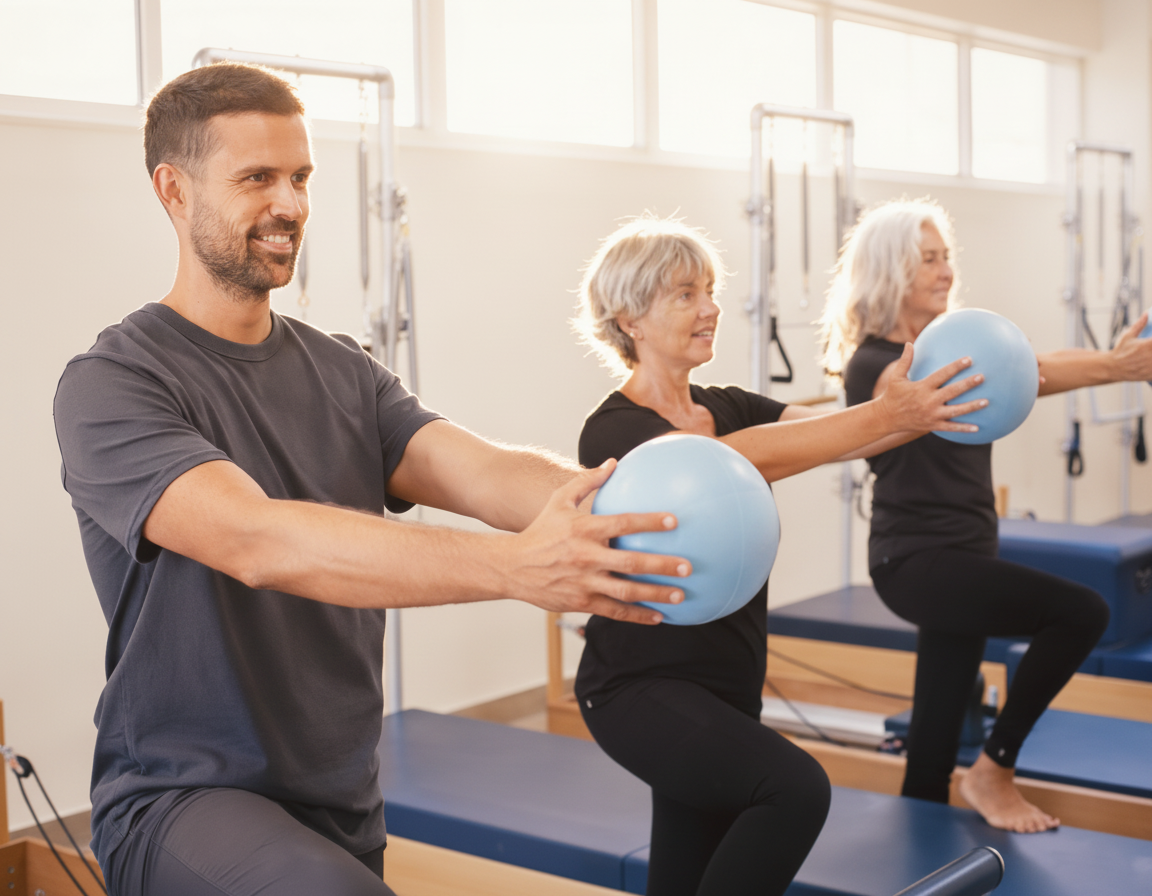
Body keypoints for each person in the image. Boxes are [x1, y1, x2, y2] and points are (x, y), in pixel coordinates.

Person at [52, 64, 694, 896]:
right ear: (173, 191)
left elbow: (484, 470)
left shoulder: (344, 370)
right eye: (256, 179)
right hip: (183, 798)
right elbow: (258, 540)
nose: (290, 204)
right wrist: (513, 569)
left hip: (340, 798)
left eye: (300, 177)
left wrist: (629, 508)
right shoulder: (113, 382)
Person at [571, 216, 987, 896]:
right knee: (794, 791)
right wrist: (882, 418)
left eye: (709, 290)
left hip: (726, 682)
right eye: (685, 294)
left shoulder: (728, 405)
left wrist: (912, 405)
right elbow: (721, 465)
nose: (710, 309)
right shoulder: (615, 430)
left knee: (684, 870)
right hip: (639, 687)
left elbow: (836, 438)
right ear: (630, 319)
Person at [822, 198, 1152, 833]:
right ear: (891, 272)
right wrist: (1113, 366)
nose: (945, 271)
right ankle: (994, 769)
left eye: (947, 257)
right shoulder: (878, 364)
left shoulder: (951, 347)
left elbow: (1033, 371)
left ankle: (919, 830)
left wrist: (1117, 366)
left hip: (967, 553)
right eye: (928, 260)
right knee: (1081, 612)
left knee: (937, 723)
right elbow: (1010, 373)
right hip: (917, 561)